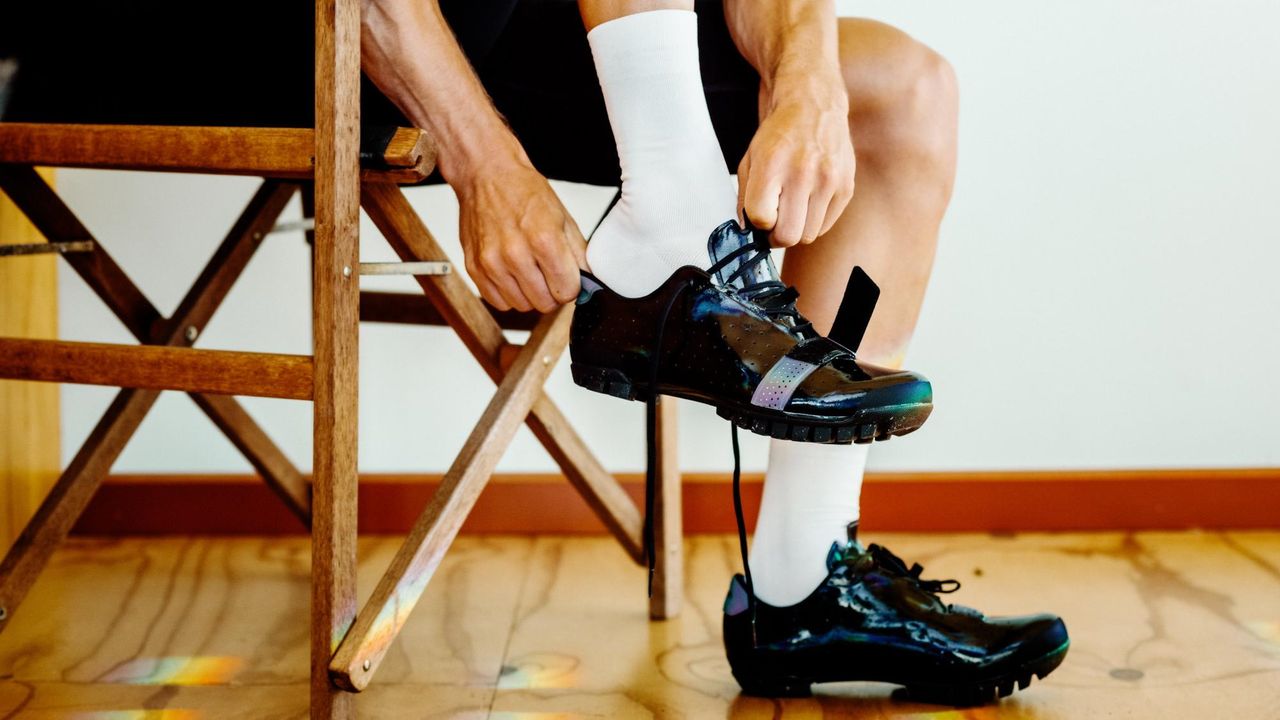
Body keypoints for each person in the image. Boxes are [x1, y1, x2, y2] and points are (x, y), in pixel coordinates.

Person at [2, 0, 1067, 702]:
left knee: (899, 91)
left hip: (486, 16)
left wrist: (808, 76)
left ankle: (803, 588)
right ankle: (671, 246)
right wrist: (482, 161)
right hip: (216, 24)